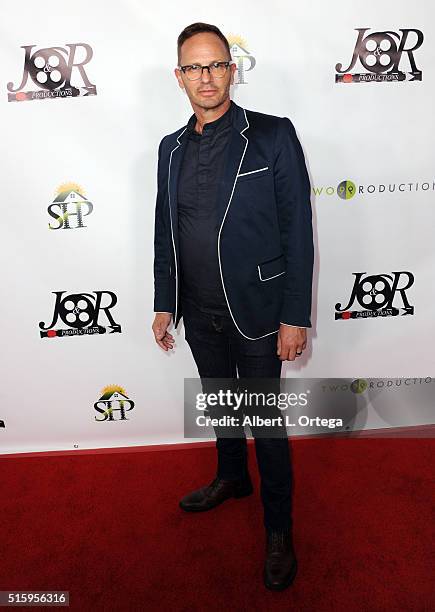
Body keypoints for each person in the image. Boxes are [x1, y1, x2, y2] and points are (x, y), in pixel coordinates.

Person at [152, 22, 314, 591]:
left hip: (258, 312)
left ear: (232, 69)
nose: (207, 76)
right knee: (222, 405)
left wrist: (295, 315)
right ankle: (230, 478)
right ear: (179, 77)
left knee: (266, 425)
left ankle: (278, 529)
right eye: (194, 67)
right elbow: (165, 230)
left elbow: (299, 230)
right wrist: (164, 300)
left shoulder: (271, 136)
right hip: (198, 312)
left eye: (216, 64)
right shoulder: (169, 149)